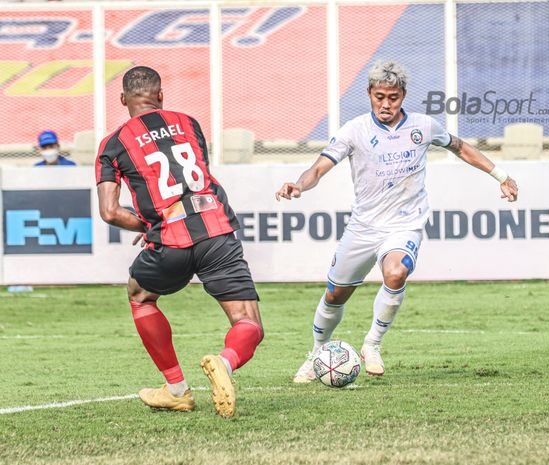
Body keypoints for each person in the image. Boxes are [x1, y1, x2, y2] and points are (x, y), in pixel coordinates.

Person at [275, 60, 519, 383]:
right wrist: (298, 184)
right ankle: (318, 352)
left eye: (393, 97)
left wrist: (500, 176)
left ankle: (372, 344)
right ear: (369, 94)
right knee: (335, 294)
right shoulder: (355, 130)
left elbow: (460, 148)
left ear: (403, 95)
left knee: (396, 270)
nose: (386, 104)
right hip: (363, 227)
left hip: (405, 225)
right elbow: (319, 168)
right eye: (379, 97)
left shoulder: (423, 127)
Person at [95, 66, 263, 418]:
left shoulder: (112, 145)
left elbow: (110, 212)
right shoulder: (189, 123)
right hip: (216, 229)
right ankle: (225, 363)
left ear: (123, 99)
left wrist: (151, 222)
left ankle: (177, 390)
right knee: (248, 323)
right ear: (160, 95)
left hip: (169, 239)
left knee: (140, 295)